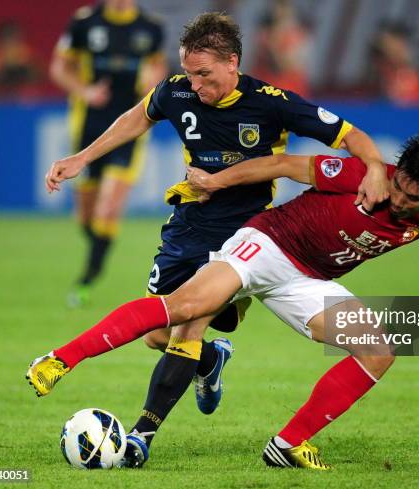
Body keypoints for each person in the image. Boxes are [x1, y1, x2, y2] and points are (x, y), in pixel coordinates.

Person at [27, 136, 419, 470]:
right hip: (267, 245)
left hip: (308, 281)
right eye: (399, 188)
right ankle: (59, 359)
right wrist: (215, 180)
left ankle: (287, 444)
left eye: (414, 199)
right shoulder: (358, 175)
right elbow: (281, 163)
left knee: (378, 349)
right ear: (395, 171)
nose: (400, 201)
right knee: (178, 314)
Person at [32, 11, 389, 464]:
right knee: (157, 336)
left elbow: (349, 135)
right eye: (189, 73)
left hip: (247, 236)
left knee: (188, 324)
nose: (196, 84)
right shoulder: (176, 90)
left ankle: (142, 436)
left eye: (204, 74)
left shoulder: (271, 102)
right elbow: (138, 118)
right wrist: (82, 157)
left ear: (231, 63)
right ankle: (209, 363)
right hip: (188, 225)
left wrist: (375, 168)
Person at [49, 0, 167, 307]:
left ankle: (89, 275)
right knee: (86, 215)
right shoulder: (86, 22)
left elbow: (158, 68)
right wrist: (84, 91)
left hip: (131, 128)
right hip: (89, 127)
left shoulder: (150, 27)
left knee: (110, 205)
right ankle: (96, 256)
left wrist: (151, 81)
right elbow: (59, 68)